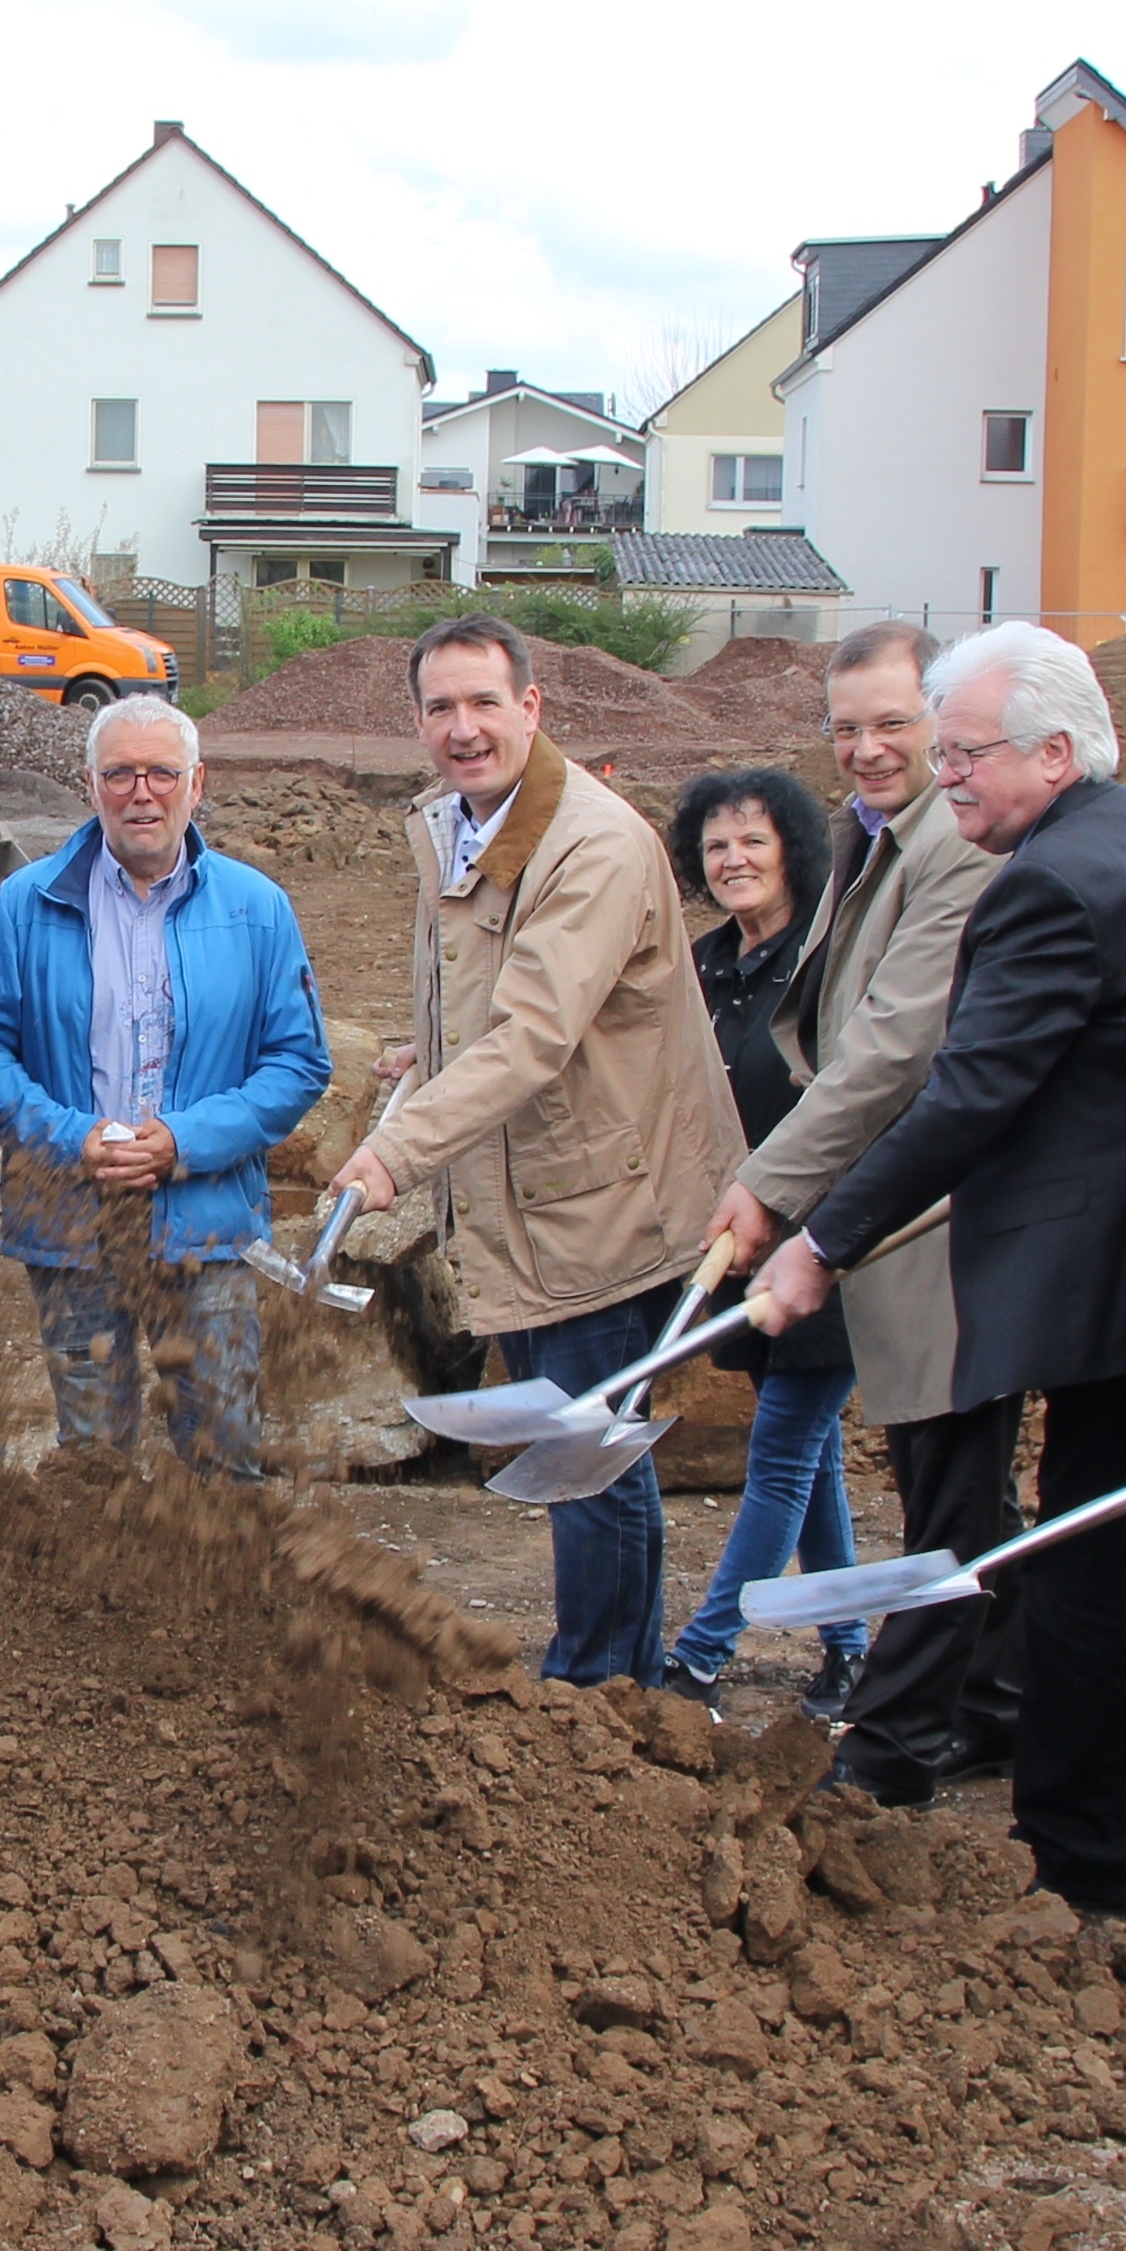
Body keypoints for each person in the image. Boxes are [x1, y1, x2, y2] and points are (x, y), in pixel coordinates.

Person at [750, 623, 1126, 1912]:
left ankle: (1079, 1861)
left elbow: (967, 1096)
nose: (945, 774)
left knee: (1092, 1573)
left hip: (1118, 1276)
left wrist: (817, 1243)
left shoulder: (1045, 884)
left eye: (964, 753)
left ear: (1057, 751)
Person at [330, 615, 744, 1692]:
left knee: (589, 1456)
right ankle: (612, 1673)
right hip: (538, 1184)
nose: (463, 729)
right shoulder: (462, 822)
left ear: (532, 707)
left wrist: (393, 1153)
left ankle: (604, 1688)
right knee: (582, 1446)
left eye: (483, 703)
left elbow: (535, 1032)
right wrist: (433, 1046)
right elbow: (491, 989)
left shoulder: (591, 842)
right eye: (439, 708)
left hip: (602, 1195)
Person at [698, 624, 1011, 1790]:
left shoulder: (960, 850)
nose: (869, 749)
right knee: (910, 1466)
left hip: (920, 1209)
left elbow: (888, 1048)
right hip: (859, 1207)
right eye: (846, 728)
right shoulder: (872, 840)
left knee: (949, 1482)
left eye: (894, 724)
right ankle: (989, 1696)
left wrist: (773, 1184)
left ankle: (897, 1732)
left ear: (945, 725)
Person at [0, 694, 333, 1476]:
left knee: (224, 1452)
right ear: (89, 783)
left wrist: (184, 1142)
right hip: (73, 1218)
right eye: (120, 774)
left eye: (162, 773)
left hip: (205, 1222)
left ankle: (218, 1589)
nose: (142, 792)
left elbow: (299, 1062)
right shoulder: (25, 904)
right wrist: (71, 1137)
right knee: (93, 1457)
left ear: (197, 783)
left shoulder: (256, 909)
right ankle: (108, 1590)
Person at [657, 765, 859, 1714]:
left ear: (793, 853)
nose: (734, 860)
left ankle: (702, 1653)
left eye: (754, 842)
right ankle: (852, 1643)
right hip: (737, 1239)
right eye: (717, 847)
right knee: (807, 1455)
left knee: (781, 1454)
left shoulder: (828, 957)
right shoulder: (705, 961)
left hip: (829, 1242)